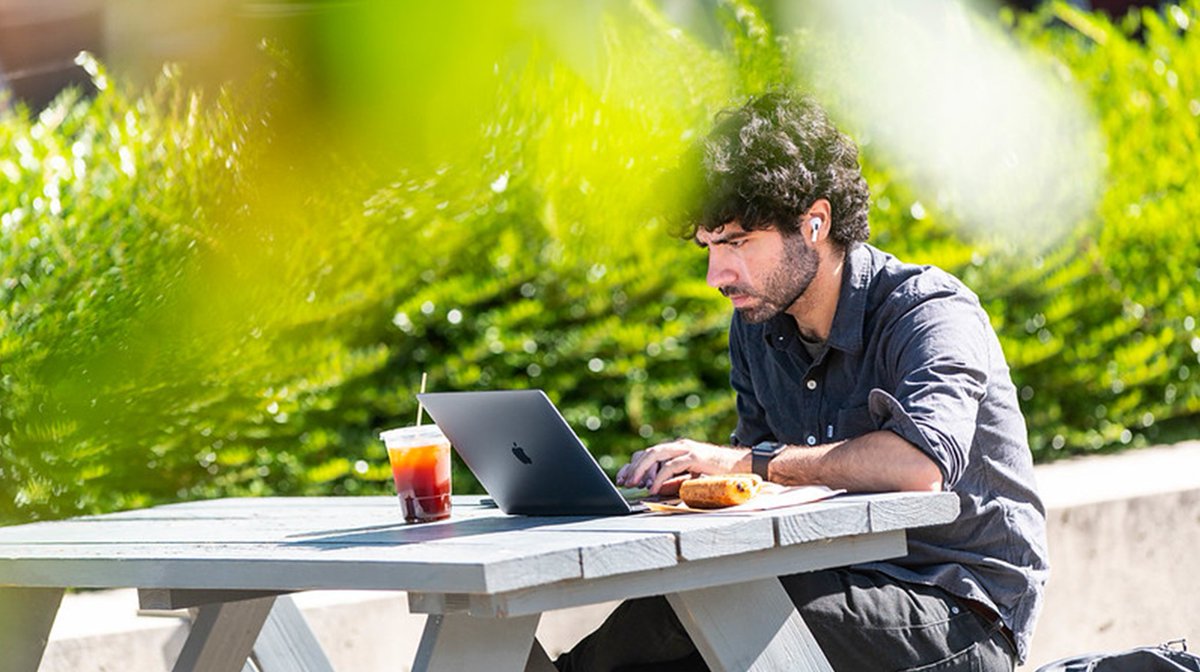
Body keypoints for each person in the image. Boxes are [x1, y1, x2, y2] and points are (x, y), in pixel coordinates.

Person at [554, 91, 1049, 671]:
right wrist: (695, 487)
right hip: (820, 582)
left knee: (710, 602)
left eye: (737, 242)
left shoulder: (929, 312)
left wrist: (745, 464)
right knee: (681, 639)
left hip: (959, 608)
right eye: (710, 247)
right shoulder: (758, 324)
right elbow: (767, 490)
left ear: (815, 222)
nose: (718, 273)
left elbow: (920, 467)